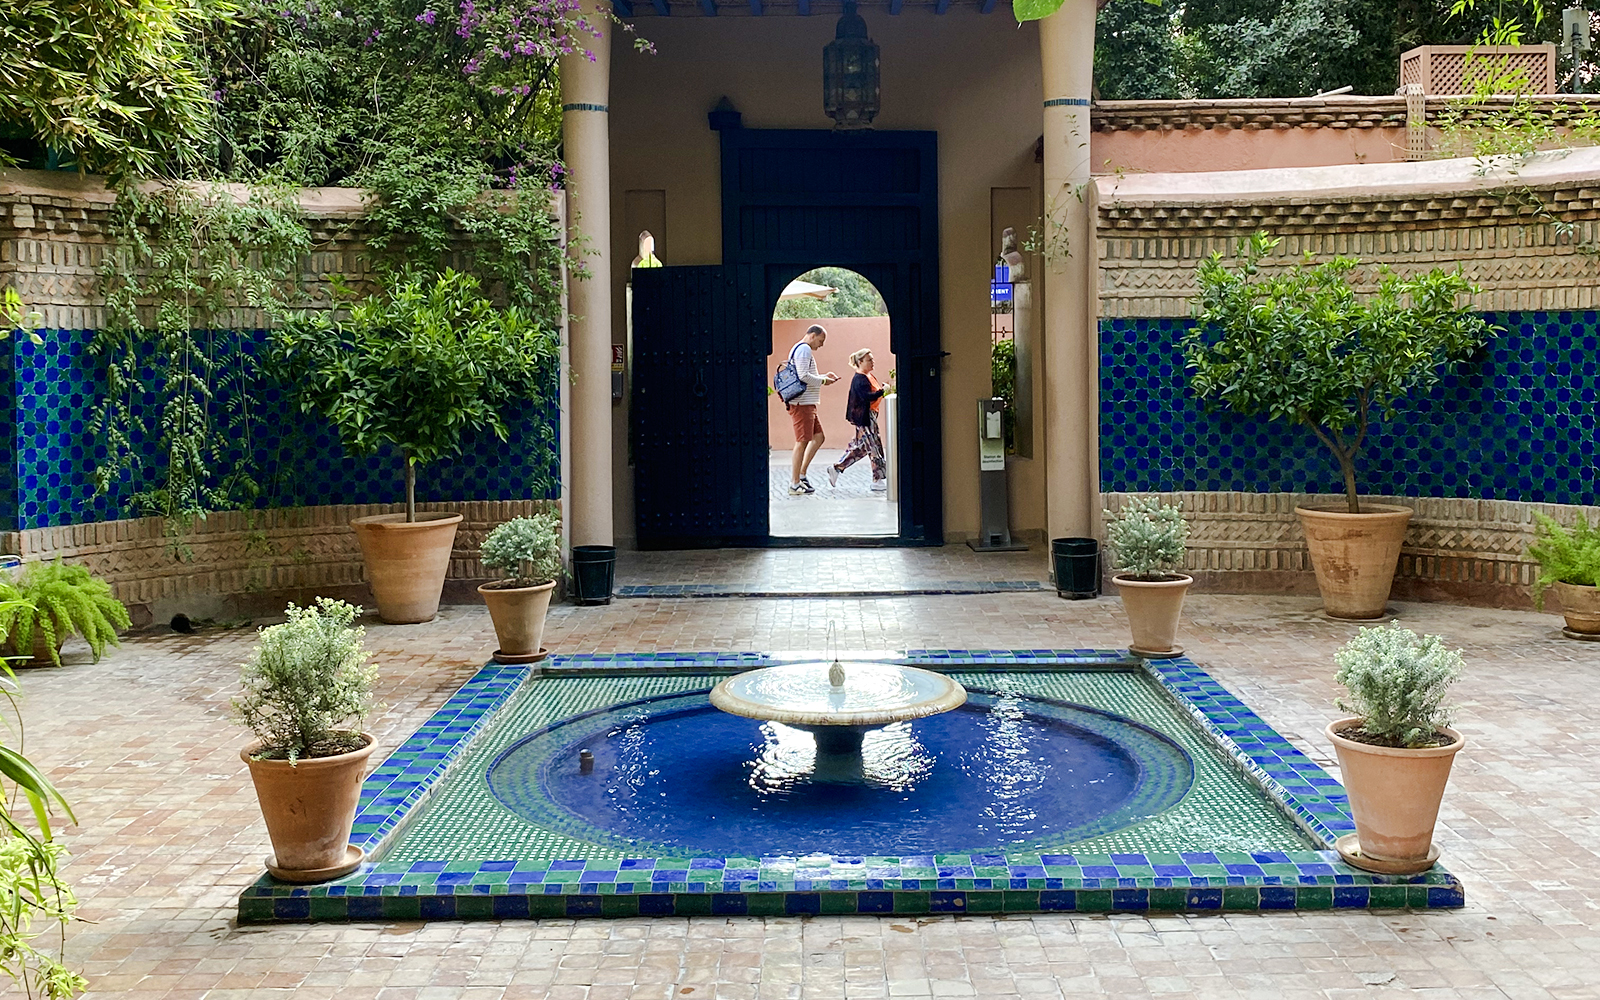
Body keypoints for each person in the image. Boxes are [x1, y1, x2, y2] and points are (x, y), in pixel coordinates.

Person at [786, 324, 838, 495]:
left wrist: (823, 377)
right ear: (813, 335)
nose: (821, 345)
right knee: (802, 441)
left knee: (818, 437)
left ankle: (801, 475)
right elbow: (803, 376)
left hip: (807, 402)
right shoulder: (804, 350)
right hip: (802, 403)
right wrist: (823, 381)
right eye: (821, 340)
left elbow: (805, 375)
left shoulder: (799, 348)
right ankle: (795, 483)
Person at [827, 348, 888, 491]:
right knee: (874, 446)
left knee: (862, 447)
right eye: (869, 360)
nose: (872, 362)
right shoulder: (860, 379)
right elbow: (866, 396)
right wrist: (883, 391)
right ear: (860, 362)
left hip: (870, 415)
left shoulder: (868, 376)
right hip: (865, 417)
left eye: (872, 359)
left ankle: (837, 467)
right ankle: (878, 479)